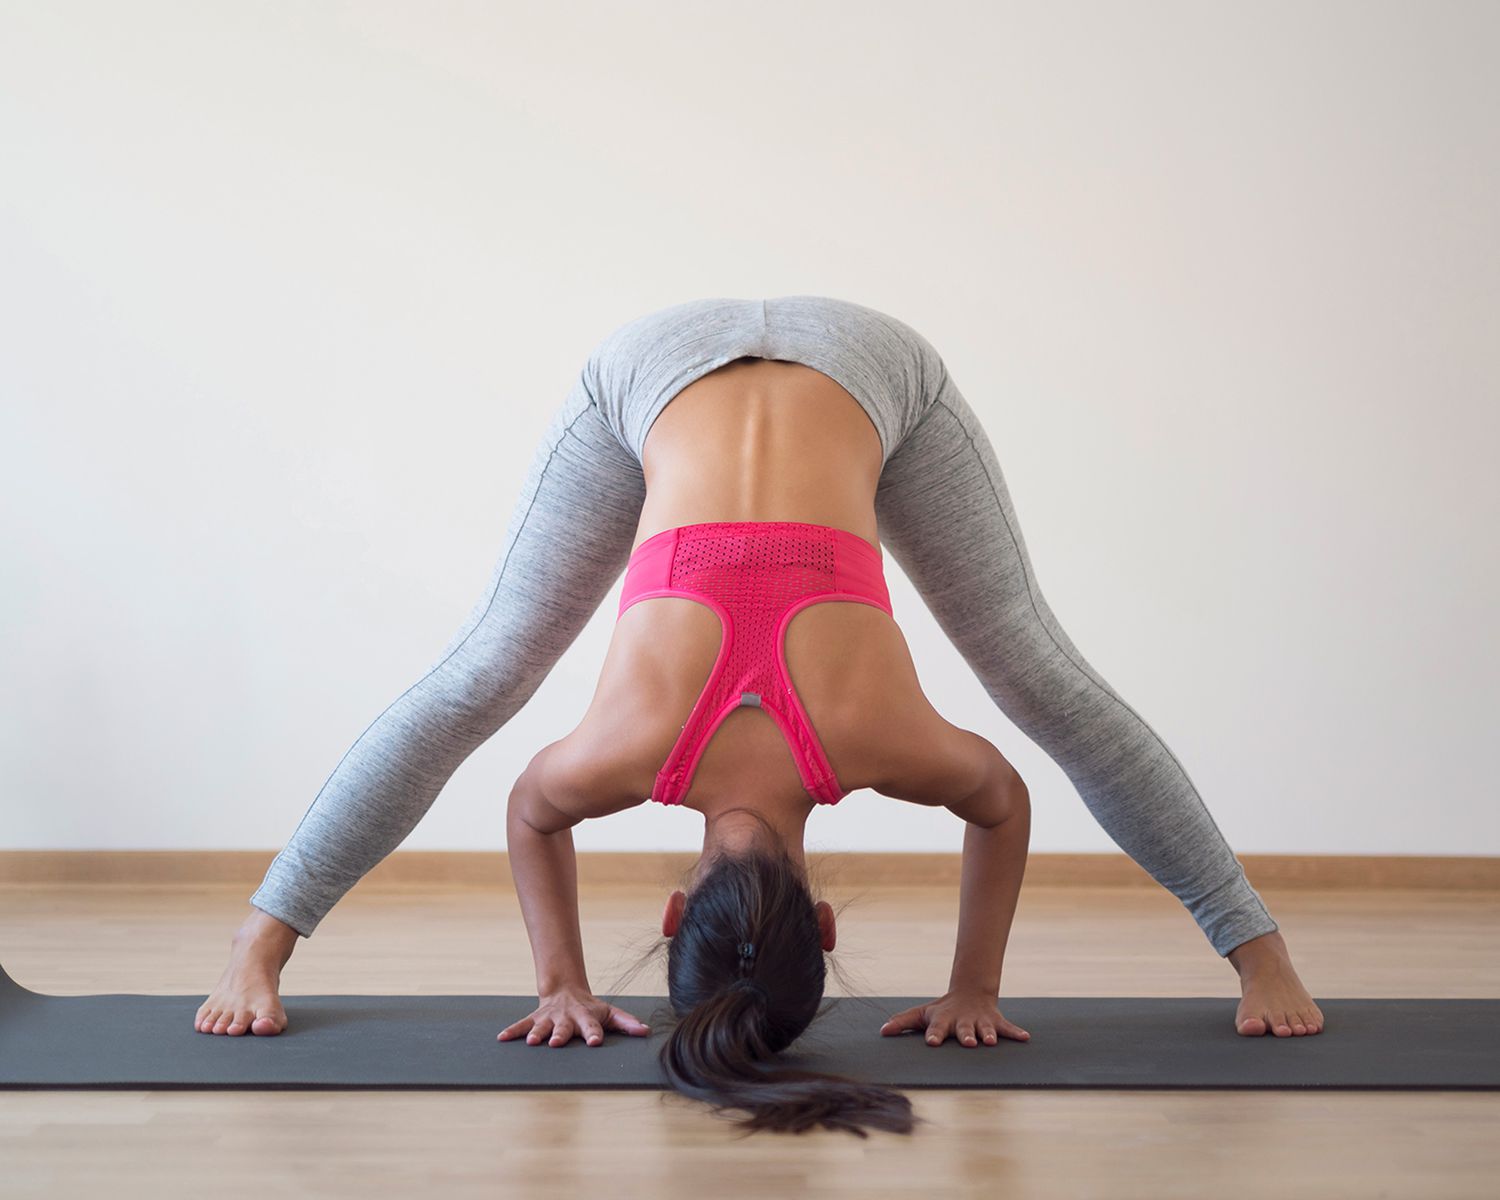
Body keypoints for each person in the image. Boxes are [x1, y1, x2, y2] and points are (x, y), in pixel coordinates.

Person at [195, 296, 1324, 1134]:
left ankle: (258, 945)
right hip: (706, 367)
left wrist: (974, 987)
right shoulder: (625, 757)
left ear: (822, 929)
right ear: (680, 909)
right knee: (1038, 676)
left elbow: (1000, 804)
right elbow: (534, 813)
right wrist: (562, 985)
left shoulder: (878, 743)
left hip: (817, 368)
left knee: (484, 672)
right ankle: (260, 946)